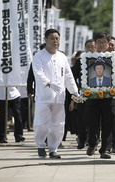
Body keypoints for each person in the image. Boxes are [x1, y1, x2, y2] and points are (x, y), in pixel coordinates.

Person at [32, 29, 79, 159]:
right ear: (46, 40)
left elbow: (68, 76)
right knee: (42, 122)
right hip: (44, 96)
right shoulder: (39, 56)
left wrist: (75, 92)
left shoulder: (62, 57)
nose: (55, 41)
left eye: (57, 38)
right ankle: (41, 145)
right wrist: (49, 83)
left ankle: (53, 148)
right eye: (52, 38)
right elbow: (38, 73)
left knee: (57, 124)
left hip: (59, 97)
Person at [84, 32, 115, 159]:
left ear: (108, 43)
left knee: (108, 123)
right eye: (99, 42)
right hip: (92, 97)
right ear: (95, 43)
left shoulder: (113, 59)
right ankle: (92, 143)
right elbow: (82, 75)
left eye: (104, 42)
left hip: (108, 97)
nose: (102, 45)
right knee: (91, 122)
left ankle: (105, 149)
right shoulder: (88, 58)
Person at [73, 39, 97, 149]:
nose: (90, 49)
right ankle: (81, 140)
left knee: (95, 119)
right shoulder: (80, 61)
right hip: (82, 94)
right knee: (81, 118)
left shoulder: (100, 59)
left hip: (97, 94)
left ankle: (94, 140)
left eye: (93, 46)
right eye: (88, 47)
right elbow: (73, 77)